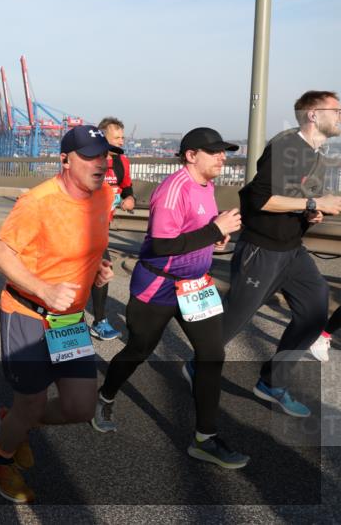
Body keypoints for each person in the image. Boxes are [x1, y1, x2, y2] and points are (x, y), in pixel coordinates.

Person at [92, 127, 249, 469]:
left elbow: (194, 231)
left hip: (195, 286)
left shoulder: (207, 186)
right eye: (215, 152)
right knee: (139, 350)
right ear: (191, 155)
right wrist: (215, 230)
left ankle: (205, 439)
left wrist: (214, 238)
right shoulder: (172, 189)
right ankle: (105, 396)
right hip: (159, 286)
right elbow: (163, 245)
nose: (223, 157)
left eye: (224, 152)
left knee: (212, 355)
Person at [187, 91, 341, 417]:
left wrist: (310, 212)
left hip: (292, 250)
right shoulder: (286, 147)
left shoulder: (316, 154)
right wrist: (315, 203)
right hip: (262, 248)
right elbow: (260, 199)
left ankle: (272, 382)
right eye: (336, 110)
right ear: (313, 115)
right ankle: (198, 364)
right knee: (235, 318)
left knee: (315, 313)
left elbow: (294, 198)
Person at [0, 124, 115, 503]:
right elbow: (0, 254)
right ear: (65, 160)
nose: (100, 163)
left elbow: (87, 244)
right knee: (32, 403)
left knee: (80, 407)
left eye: (103, 155)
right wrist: (44, 289)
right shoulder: (38, 202)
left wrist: (97, 267)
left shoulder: (105, 195)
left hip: (70, 320)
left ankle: (14, 421)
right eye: (89, 156)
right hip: (28, 313)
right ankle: (0, 461)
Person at [88, 117, 137, 341]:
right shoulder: (89, 159)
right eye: (116, 137)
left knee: (99, 271)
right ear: (102, 138)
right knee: (96, 269)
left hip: (102, 227)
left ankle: (96, 322)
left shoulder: (121, 161)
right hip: (81, 226)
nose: (121, 141)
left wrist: (130, 198)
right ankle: (92, 322)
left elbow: (127, 187)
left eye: (122, 137)